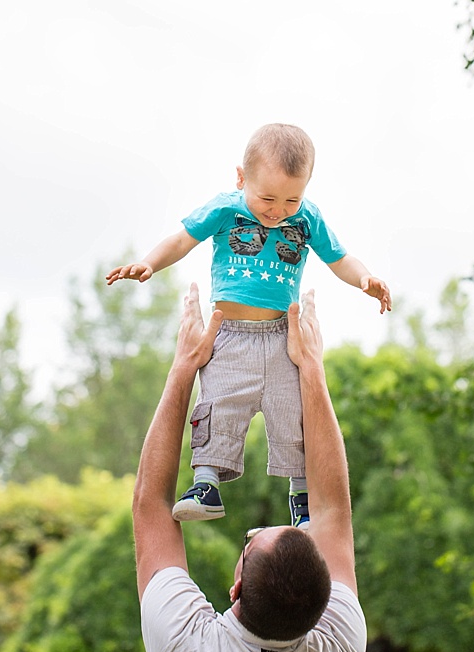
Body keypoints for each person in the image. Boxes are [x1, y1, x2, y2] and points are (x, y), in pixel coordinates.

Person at [134, 284, 365, 652]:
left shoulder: (187, 650)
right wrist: (311, 370)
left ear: (236, 587)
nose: (249, 531)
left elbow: (151, 505)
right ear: (327, 600)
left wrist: (184, 367)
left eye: (249, 542)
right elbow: (331, 512)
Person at [108, 123, 391, 529]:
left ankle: (302, 497)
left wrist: (365, 279)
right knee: (217, 405)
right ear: (241, 178)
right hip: (230, 335)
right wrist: (149, 263)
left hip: (282, 339)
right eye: (267, 198)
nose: (278, 210)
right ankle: (205, 485)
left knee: (293, 413)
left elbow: (340, 259)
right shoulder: (226, 208)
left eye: (292, 198)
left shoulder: (307, 218)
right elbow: (182, 240)